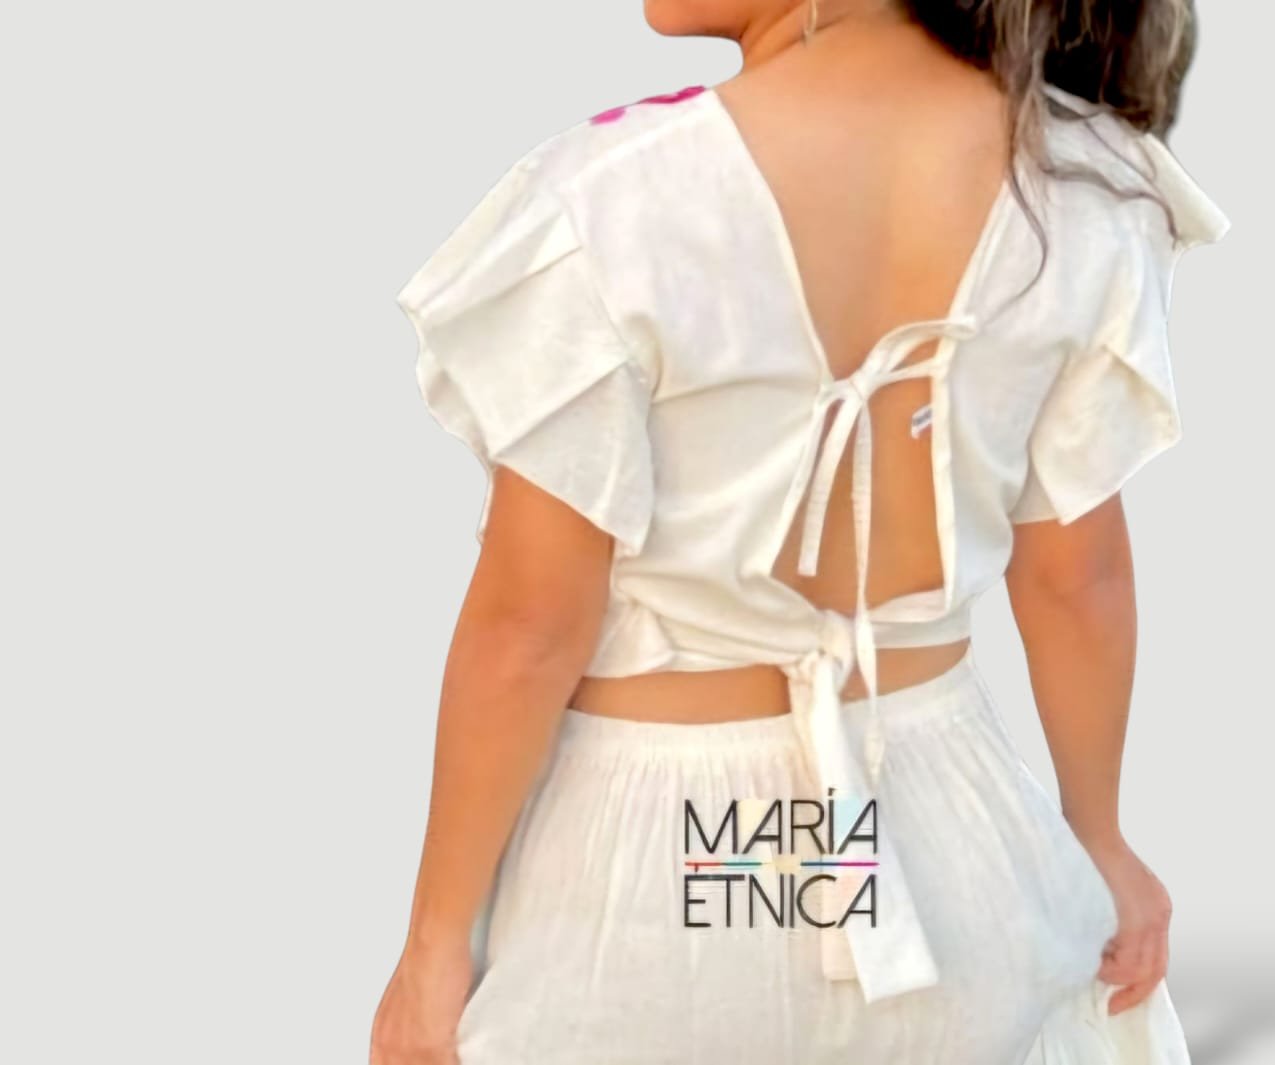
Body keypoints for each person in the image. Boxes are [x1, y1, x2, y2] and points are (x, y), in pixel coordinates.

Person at [371, 1, 1228, 1062]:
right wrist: (1098, 837)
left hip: (671, 862)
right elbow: (1076, 576)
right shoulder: (1087, 180)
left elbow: (529, 627)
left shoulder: (609, 197)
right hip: (948, 832)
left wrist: (432, 946)